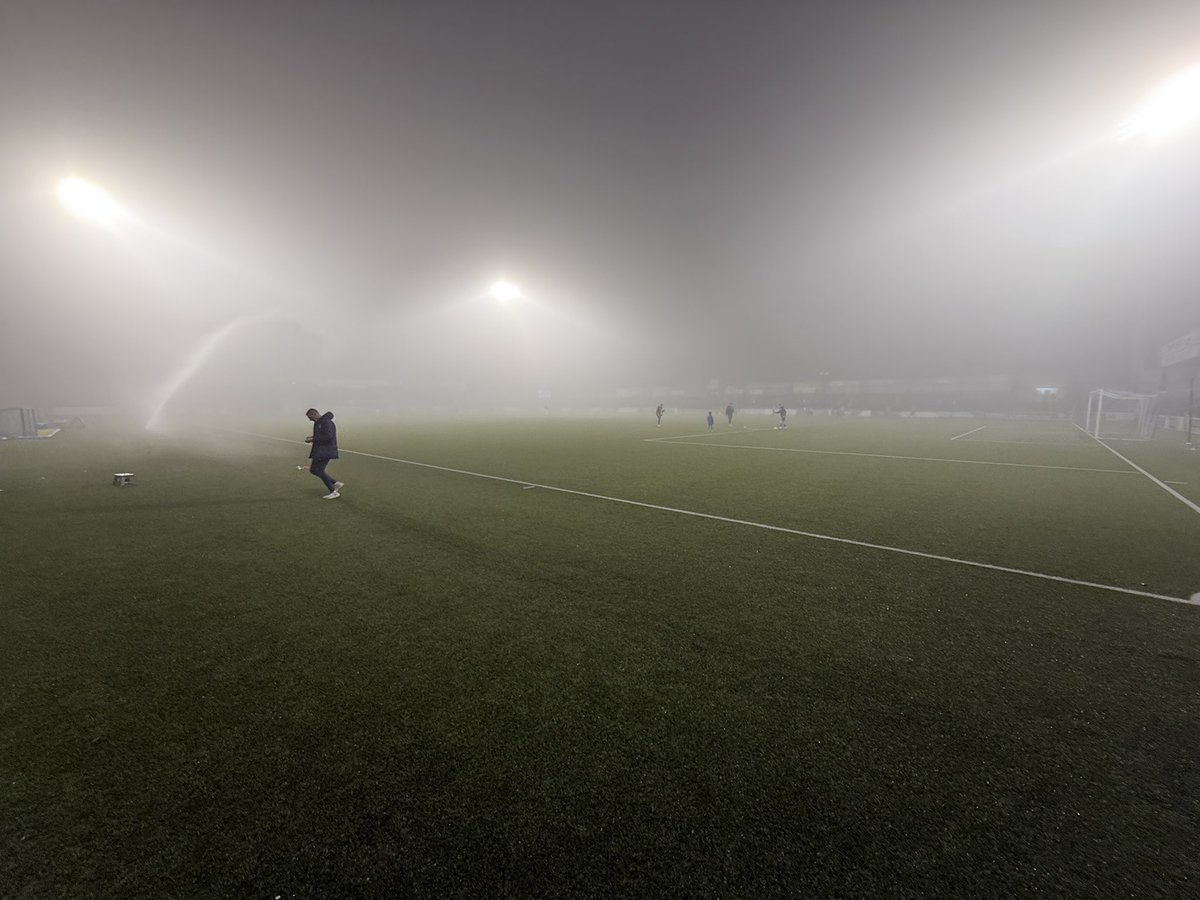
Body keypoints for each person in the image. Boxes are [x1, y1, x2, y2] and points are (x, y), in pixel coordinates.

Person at [304, 408, 344, 499]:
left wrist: (313, 439)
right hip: (320, 450)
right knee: (314, 470)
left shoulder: (326, 422)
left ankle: (333, 491)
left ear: (315, 414)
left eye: (310, 417)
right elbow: (321, 435)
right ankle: (335, 483)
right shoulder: (318, 423)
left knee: (318, 470)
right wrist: (312, 438)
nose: (310, 420)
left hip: (326, 451)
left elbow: (328, 437)